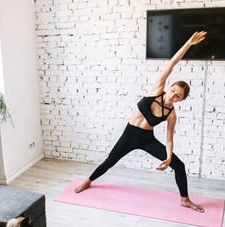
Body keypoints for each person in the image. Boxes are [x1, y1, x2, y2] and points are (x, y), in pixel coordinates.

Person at [75, 31, 207, 213]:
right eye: (174, 90)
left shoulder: (171, 114)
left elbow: (169, 139)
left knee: (179, 165)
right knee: (109, 161)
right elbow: (172, 63)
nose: (173, 95)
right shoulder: (156, 89)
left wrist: (168, 158)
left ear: (181, 100)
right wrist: (189, 43)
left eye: (178, 96)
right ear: (170, 87)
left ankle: (185, 199)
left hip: (146, 139)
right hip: (129, 135)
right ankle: (88, 181)